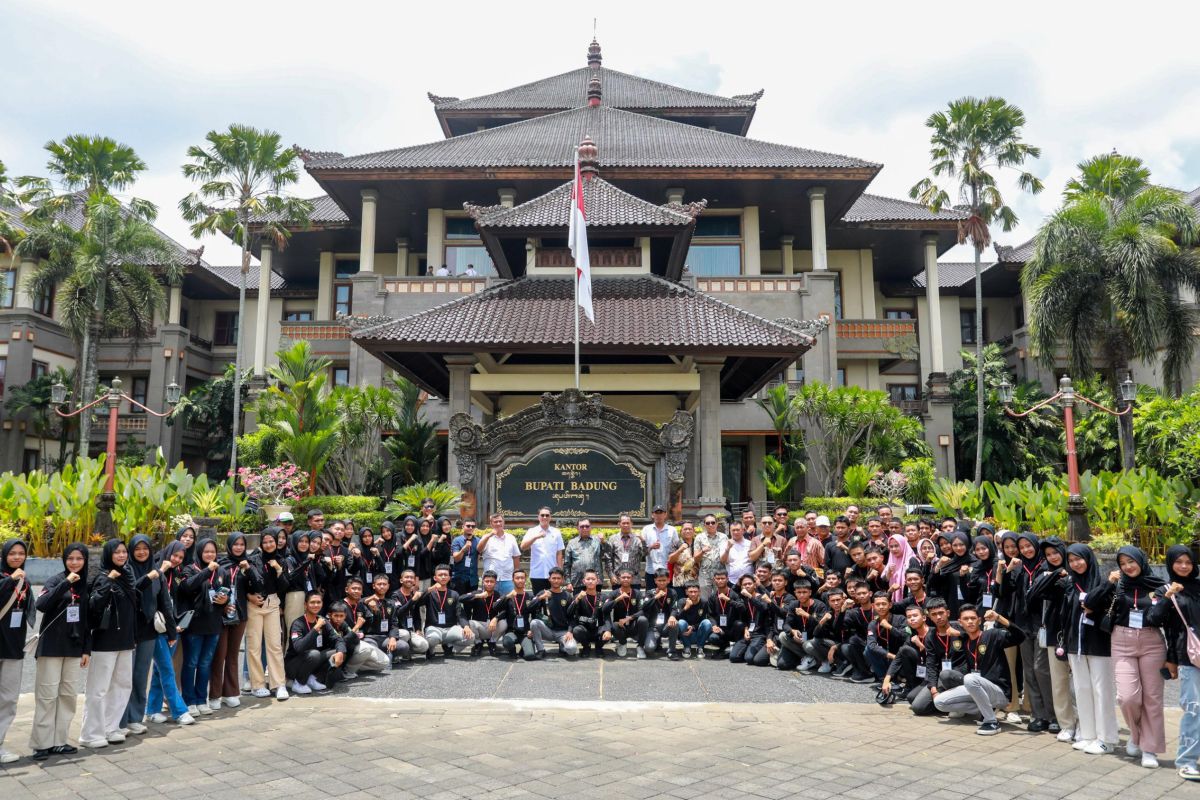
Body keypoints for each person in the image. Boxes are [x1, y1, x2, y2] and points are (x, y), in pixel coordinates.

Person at [1088, 545, 1167, 769]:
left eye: (1131, 561)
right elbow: (1090, 603)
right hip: (1121, 640)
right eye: (1122, 563)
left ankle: (1149, 748)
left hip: (1152, 641)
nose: (1127, 567)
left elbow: (1166, 617)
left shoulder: (1157, 585)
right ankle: (1136, 735)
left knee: (1152, 698)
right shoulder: (1118, 585)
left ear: (1141, 561)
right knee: (1127, 697)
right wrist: (1109, 583)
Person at [29, 542, 90, 760]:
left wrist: (86, 650)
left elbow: (86, 620)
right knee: (47, 696)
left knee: (67, 696)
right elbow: (42, 604)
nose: (75, 563)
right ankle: (42, 743)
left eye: (79, 559)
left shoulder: (86, 585)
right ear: (64, 560)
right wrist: (65, 583)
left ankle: (60, 741)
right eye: (70, 558)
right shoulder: (56, 580)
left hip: (73, 648)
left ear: (85, 560)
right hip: (51, 648)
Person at [1148, 545, 1200, 781]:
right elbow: (1154, 619)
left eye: (1188, 562)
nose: (1184, 566)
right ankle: (1187, 761)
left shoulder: (1198, 587)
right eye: (1179, 562)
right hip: (1188, 657)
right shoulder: (1164, 590)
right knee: (1194, 709)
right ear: (1170, 564)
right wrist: (1167, 599)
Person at [79, 539, 138, 749]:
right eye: (117, 552)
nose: (121, 556)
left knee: (123, 685)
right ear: (108, 555)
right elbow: (92, 607)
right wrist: (107, 582)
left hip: (125, 641)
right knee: (98, 689)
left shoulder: (127, 576)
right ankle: (90, 733)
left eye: (124, 552)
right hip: (104, 641)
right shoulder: (101, 577)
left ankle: (110, 727)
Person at [932, 604, 1026, 734]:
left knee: (970, 678)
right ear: (960, 622)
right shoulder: (965, 641)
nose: (970, 621)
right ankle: (986, 709)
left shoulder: (993, 635)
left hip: (999, 692)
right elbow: (965, 635)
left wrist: (998, 618)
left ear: (980, 620)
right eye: (966, 619)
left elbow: (1021, 636)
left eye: (973, 618)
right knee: (939, 702)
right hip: (977, 688)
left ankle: (991, 722)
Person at [1069, 543, 1120, 754]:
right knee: (1082, 690)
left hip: (1099, 643)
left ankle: (1106, 738)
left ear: (1089, 558)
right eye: (1071, 560)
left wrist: (1106, 586)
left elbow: (1092, 601)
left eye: (1079, 559)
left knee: (1102, 691)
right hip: (1076, 643)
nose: (1075, 564)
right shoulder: (1069, 582)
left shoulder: (1103, 580)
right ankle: (1088, 734)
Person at [121, 535, 174, 735]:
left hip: (149, 630)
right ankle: (120, 719)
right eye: (137, 549)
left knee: (141, 675)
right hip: (129, 631)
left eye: (145, 548)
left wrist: (171, 630)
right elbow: (132, 591)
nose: (141, 552)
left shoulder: (157, 572)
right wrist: (148, 578)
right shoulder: (126, 570)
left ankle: (135, 718)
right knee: (125, 676)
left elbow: (165, 602)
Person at [1028, 536, 1077, 741]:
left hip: (1075, 631)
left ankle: (1083, 722)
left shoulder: (1077, 569)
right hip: (1053, 630)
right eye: (1048, 554)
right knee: (1058, 680)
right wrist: (1054, 574)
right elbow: (1033, 595)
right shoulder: (1046, 572)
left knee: (1078, 682)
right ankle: (1065, 722)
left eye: (1056, 552)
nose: (1053, 557)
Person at [144, 541, 193, 726]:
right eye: (175, 556)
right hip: (156, 628)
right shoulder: (154, 569)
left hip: (173, 628)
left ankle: (152, 710)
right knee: (166, 668)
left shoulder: (178, 573)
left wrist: (178, 624)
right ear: (167, 552)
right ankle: (179, 711)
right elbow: (149, 593)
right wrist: (161, 571)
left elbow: (177, 601)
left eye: (181, 557)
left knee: (160, 671)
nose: (177, 560)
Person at [179, 538, 226, 718]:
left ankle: (201, 699)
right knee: (191, 663)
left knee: (205, 664)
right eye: (206, 551)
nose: (210, 555)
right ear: (199, 552)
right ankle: (189, 701)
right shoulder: (190, 568)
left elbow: (226, 590)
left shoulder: (221, 571)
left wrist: (225, 600)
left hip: (213, 623)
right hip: (194, 625)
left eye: (212, 551)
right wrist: (208, 570)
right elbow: (187, 587)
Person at [209, 532, 251, 710]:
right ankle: (215, 694)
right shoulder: (221, 564)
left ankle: (231, 692)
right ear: (229, 546)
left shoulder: (248, 563)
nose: (239, 547)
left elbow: (257, 585)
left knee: (233, 655)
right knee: (219, 654)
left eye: (242, 544)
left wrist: (248, 569)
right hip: (221, 613)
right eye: (236, 544)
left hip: (239, 614)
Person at [246, 532, 289, 700]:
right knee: (254, 645)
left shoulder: (281, 559)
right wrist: (249, 596)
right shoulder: (254, 559)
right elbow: (248, 582)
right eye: (265, 541)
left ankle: (278, 684)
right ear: (261, 543)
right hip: (255, 603)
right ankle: (257, 684)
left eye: (272, 541)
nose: (269, 544)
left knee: (275, 645)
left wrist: (278, 569)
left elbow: (284, 586)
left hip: (272, 603)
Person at [0, 540, 30, 763]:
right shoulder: (6, 578)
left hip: (14, 647)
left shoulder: (24, 580)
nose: (17, 557)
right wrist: (9, 580)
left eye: (21, 554)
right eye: (12, 553)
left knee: (9, 699)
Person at [285, 593, 344, 694]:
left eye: (318, 602)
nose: (316, 605)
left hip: (311, 660)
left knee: (336, 651)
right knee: (314, 654)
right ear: (305, 605)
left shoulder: (322, 620)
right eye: (312, 602)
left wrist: (340, 652)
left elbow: (337, 638)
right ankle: (299, 683)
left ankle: (311, 678)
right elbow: (299, 648)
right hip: (293, 664)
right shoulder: (298, 624)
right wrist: (316, 628)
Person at [492, 568, 545, 660]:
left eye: (522, 578)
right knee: (507, 642)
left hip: (525, 633)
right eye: (517, 578)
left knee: (529, 656)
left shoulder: (530, 596)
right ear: (513, 580)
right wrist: (508, 596)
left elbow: (534, 615)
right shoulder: (508, 596)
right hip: (511, 631)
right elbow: (495, 607)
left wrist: (531, 630)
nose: (520, 580)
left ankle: (523, 650)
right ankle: (512, 651)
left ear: (525, 579)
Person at [422, 564, 472, 657]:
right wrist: (430, 589)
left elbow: (460, 612)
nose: (443, 577)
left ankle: (450, 647)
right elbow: (419, 602)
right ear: (435, 578)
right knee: (432, 639)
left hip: (450, 629)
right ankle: (431, 650)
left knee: (470, 637)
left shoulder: (454, 594)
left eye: (446, 575)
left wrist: (466, 625)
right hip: (434, 627)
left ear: (449, 577)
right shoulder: (430, 593)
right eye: (440, 575)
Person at [531, 568, 578, 657]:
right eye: (554, 578)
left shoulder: (567, 596)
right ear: (549, 579)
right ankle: (540, 650)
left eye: (558, 578)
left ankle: (562, 646)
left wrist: (570, 631)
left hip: (562, 632)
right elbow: (529, 607)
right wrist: (541, 597)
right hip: (548, 630)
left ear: (562, 579)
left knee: (571, 650)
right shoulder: (543, 593)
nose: (556, 581)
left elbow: (572, 616)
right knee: (534, 623)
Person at [602, 569, 646, 658]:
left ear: (632, 579)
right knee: (614, 625)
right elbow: (605, 609)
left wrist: (629, 618)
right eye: (623, 577)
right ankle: (622, 643)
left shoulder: (637, 593)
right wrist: (617, 599)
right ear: (619, 579)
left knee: (643, 620)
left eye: (628, 577)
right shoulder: (614, 593)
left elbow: (642, 611)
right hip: (620, 626)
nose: (626, 579)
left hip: (633, 625)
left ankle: (640, 646)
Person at [463, 571, 506, 655]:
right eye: (487, 581)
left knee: (504, 622)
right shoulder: (477, 593)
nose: (489, 584)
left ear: (495, 583)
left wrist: (496, 618)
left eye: (492, 581)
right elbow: (461, 598)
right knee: (470, 622)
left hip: (492, 627)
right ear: (482, 581)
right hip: (480, 626)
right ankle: (478, 643)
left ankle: (492, 642)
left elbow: (504, 611)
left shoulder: (498, 595)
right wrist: (477, 596)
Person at [478, 512, 521, 595]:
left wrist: (515, 575)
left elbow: (516, 557)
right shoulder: (486, 537)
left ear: (503, 522)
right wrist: (489, 535)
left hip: (507, 579)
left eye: (500, 521)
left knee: (509, 604)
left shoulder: (511, 538)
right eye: (495, 522)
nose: (498, 523)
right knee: (489, 605)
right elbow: (479, 550)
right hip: (491, 580)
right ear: (491, 524)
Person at [523, 508, 565, 593]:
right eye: (542, 515)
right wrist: (536, 537)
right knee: (538, 601)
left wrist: (560, 572)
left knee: (553, 601)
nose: (544, 517)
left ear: (550, 517)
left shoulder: (556, 532)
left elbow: (559, 554)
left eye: (547, 515)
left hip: (553, 575)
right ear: (538, 517)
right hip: (537, 573)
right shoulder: (532, 531)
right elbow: (523, 546)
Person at [639, 569, 679, 660]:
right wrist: (655, 597)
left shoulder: (672, 592)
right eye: (659, 580)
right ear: (655, 581)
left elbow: (675, 607)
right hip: (653, 627)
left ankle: (672, 651)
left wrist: (672, 616)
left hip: (666, 625)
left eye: (664, 580)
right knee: (649, 649)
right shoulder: (650, 593)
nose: (662, 583)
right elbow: (643, 606)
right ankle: (657, 641)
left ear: (668, 580)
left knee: (674, 623)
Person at [704, 570, 744, 657]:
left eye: (722, 578)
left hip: (732, 629)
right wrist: (714, 626)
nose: (720, 581)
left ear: (727, 579)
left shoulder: (734, 594)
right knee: (712, 638)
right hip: (720, 629)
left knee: (739, 624)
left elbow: (742, 608)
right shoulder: (712, 596)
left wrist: (728, 600)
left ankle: (735, 646)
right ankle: (724, 647)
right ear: (714, 580)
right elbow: (710, 614)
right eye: (718, 579)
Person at [568, 570, 608, 656]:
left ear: (597, 581)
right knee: (577, 630)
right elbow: (569, 613)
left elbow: (607, 615)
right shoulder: (578, 596)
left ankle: (599, 647)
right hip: (585, 629)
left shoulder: (603, 597)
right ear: (584, 581)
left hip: (598, 629)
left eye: (593, 579)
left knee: (608, 631)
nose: (590, 581)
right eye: (588, 579)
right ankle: (586, 646)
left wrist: (607, 630)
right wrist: (577, 599)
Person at [607, 515, 648, 588]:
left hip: (634, 580)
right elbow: (608, 559)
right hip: (618, 579)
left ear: (631, 524)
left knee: (634, 599)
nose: (626, 525)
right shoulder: (612, 539)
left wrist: (643, 541)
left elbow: (645, 553)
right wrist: (611, 575)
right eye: (623, 523)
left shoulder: (637, 539)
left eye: (628, 523)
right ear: (619, 524)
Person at [565, 518, 608, 589]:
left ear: (591, 527)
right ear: (577, 528)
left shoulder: (598, 540)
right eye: (582, 526)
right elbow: (567, 564)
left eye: (587, 526)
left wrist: (603, 542)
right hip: (577, 581)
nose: (585, 528)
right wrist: (568, 582)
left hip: (595, 581)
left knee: (596, 600)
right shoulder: (572, 543)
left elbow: (607, 555)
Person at [693, 516, 727, 600]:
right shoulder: (699, 538)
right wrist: (702, 551)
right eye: (707, 523)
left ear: (717, 524)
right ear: (704, 525)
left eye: (713, 522)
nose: (710, 525)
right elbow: (696, 559)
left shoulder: (724, 537)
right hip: (704, 574)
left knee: (720, 599)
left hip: (719, 573)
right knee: (704, 599)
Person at [450, 519, 480, 594]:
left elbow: (478, 557)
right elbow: (456, 559)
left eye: (473, 526)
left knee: (471, 603)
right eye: (468, 526)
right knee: (459, 603)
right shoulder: (457, 540)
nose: (470, 528)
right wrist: (464, 549)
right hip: (460, 579)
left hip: (473, 580)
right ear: (463, 526)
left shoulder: (478, 540)